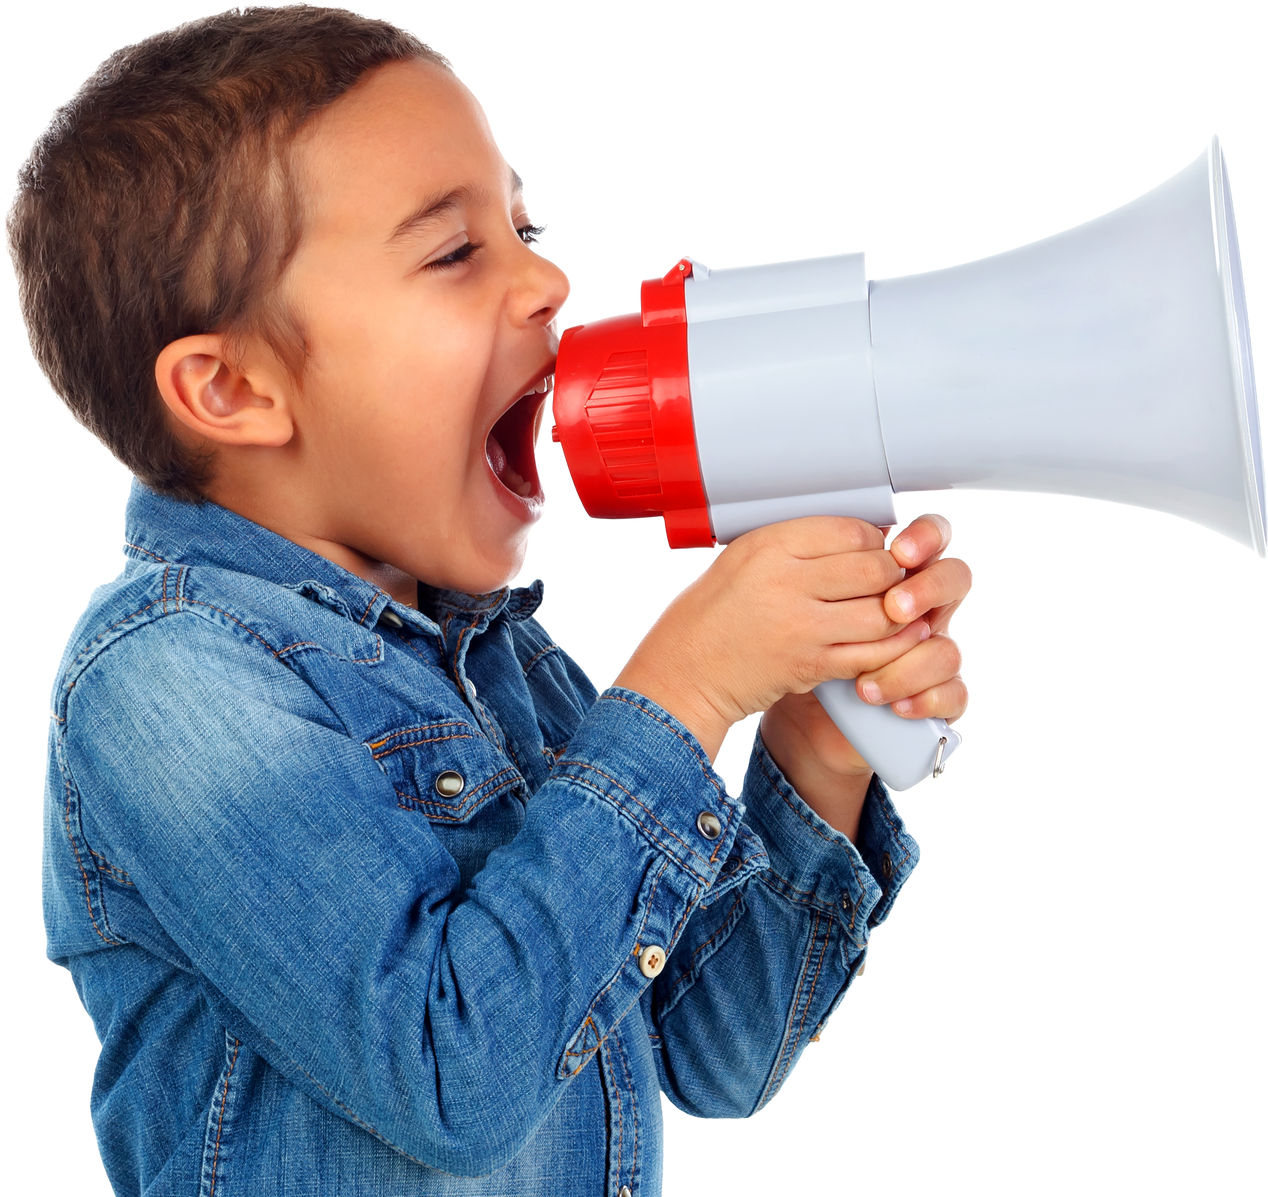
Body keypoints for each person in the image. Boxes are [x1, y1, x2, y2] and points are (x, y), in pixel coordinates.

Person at [9, 6, 970, 1194]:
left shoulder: (498, 660)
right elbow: (449, 1076)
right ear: (234, 388)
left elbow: (708, 1054)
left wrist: (810, 745)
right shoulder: (167, 679)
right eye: (454, 253)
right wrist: (685, 691)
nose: (547, 283)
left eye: (524, 226)